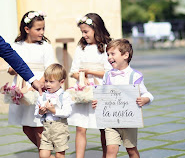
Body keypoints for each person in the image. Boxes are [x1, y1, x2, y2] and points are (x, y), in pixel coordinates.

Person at [92, 38, 154, 158]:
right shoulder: (108, 75)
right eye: (108, 54)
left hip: (129, 121)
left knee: (131, 150)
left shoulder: (135, 76)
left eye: (112, 54)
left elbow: (148, 94)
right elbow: (104, 95)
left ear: (125, 55)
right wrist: (98, 103)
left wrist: (144, 99)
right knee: (110, 150)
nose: (109, 57)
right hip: (111, 121)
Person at [7, 10, 55, 147]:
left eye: (43, 29)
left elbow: (50, 67)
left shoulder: (45, 47)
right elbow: (11, 69)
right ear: (27, 29)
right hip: (22, 88)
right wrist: (12, 70)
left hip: (40, 86)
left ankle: (45, 154)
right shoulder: (17, 46)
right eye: (38, 29)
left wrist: (39, 83)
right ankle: (45, 152)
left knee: (39, 126)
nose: (42, 32)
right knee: (26, 127)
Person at [68, 13, 112, 158]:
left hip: (100, 91)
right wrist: (82, 77)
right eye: (82, 32)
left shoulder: (106, 48)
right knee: (80, 127)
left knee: (104, 128)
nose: (84, 35)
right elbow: (73, 71)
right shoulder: (81, 48)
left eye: (86, 31)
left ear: (96, 29)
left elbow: (109, 72)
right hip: (83, 90)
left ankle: (107, 155)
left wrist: (88, 71)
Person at [35, 63, 72, 158]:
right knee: (43, 155)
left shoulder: (65, 96)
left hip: (60, 129)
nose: (47, 84)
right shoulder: (42, 96)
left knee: (60, 154)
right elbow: (36, 113)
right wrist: (40, 112)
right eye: (46, 81)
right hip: (46, 129)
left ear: (62, 82)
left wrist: (54, 110)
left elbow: (67, 112)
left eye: (51, 82)